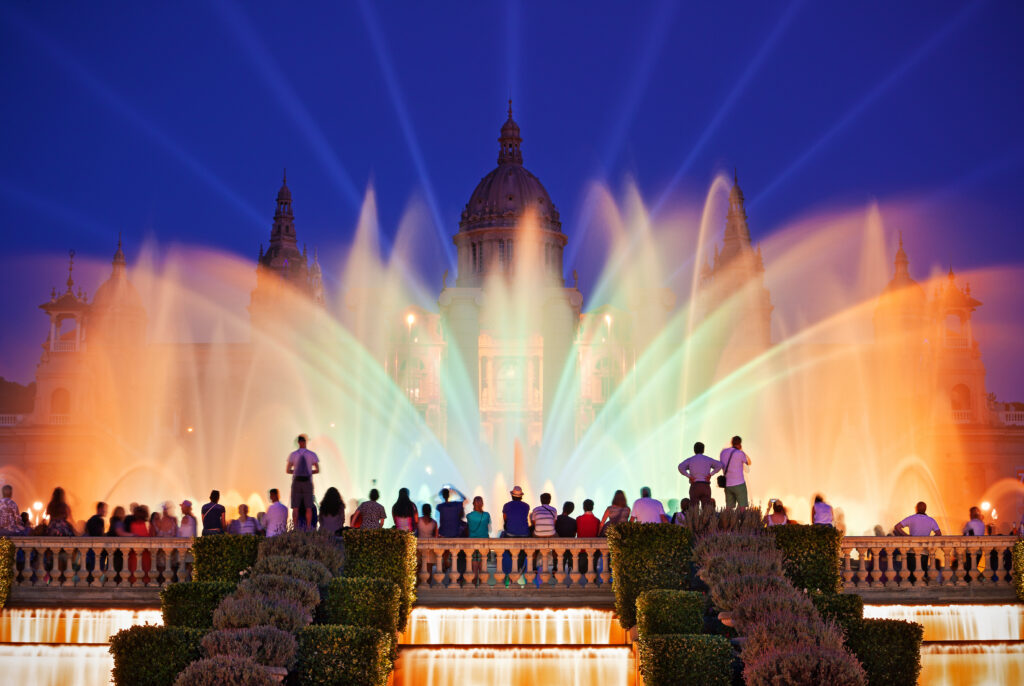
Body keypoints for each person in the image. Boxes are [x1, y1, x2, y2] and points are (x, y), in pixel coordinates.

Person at [894, 501, 941, 576]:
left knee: (911, 575)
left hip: (912, 550)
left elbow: (897, 527)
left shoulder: (911, 518)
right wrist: (929, 540)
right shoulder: (931, 520)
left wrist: (907, 536)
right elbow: (939, 534)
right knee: (922, 574)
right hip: (924, 551)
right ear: (925, 509)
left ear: (916, 508)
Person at [287, 434, 320, 530]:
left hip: (296, 482)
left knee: (295, 507)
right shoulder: (312, 454)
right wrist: (310, 471)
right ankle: (309, 527)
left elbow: (288, 470)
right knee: (308, 507)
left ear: (298, 442)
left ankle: (296, 528)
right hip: (307, 482)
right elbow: (317, 470)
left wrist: (295, 471)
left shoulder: (293, 455)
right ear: (305, 442)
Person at [678, 442, 722, 510]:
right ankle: (706, 520)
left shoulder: (691, 460)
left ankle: (695, 520)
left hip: (695, 485)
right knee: (706, 509)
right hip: (705, 485)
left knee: (694, 509)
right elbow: (719, 465)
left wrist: (689, 476)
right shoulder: (708, 459)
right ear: (703, 450)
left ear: (694, 450)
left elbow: (680, 467)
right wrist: (711, 474)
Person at [719, 436, 752, 509]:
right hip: (739, 483)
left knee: (729, 508)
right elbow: (749, 462)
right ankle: (742, 520)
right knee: (742, 508)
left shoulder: (723, 452)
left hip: (727, 484)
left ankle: (727, 520)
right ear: (740, 443)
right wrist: (742, 450)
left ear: (731, 442)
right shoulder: (740, 453)